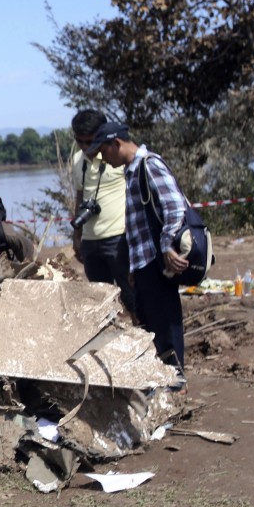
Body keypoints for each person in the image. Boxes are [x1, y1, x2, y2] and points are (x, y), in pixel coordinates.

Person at [86, 121, 187, 376]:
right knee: (149, 321)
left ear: (116, 144)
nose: (104, 159)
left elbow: (175, 206)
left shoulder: (148, 165)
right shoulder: (132, 170)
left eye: (104, 152)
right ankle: (162, 377)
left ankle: (176, 380)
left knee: (165, 321)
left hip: (156, 261)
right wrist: (133, 266)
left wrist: (166, 247)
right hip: (143, 262)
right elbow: (136, 226)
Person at [70, 109, 136, 313]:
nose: (84, 147)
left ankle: (143, 337)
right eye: (79, 141)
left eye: (89, 142)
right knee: (101, 300)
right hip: (90, 240)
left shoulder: (118, 157)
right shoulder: (77, 160)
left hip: (119, 237)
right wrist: (77, 236)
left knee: (131, 295)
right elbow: (80, 196)